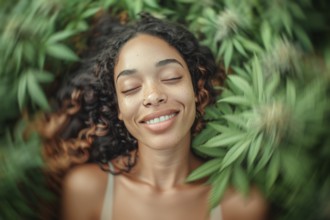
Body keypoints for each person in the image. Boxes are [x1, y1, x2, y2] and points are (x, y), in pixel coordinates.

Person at [48, 14, 268, 220]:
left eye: (171, 77)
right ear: (119, 109)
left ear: (196, 89)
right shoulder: (88, 190)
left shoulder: (241, 205)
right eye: (131, 88)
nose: (153, 96)